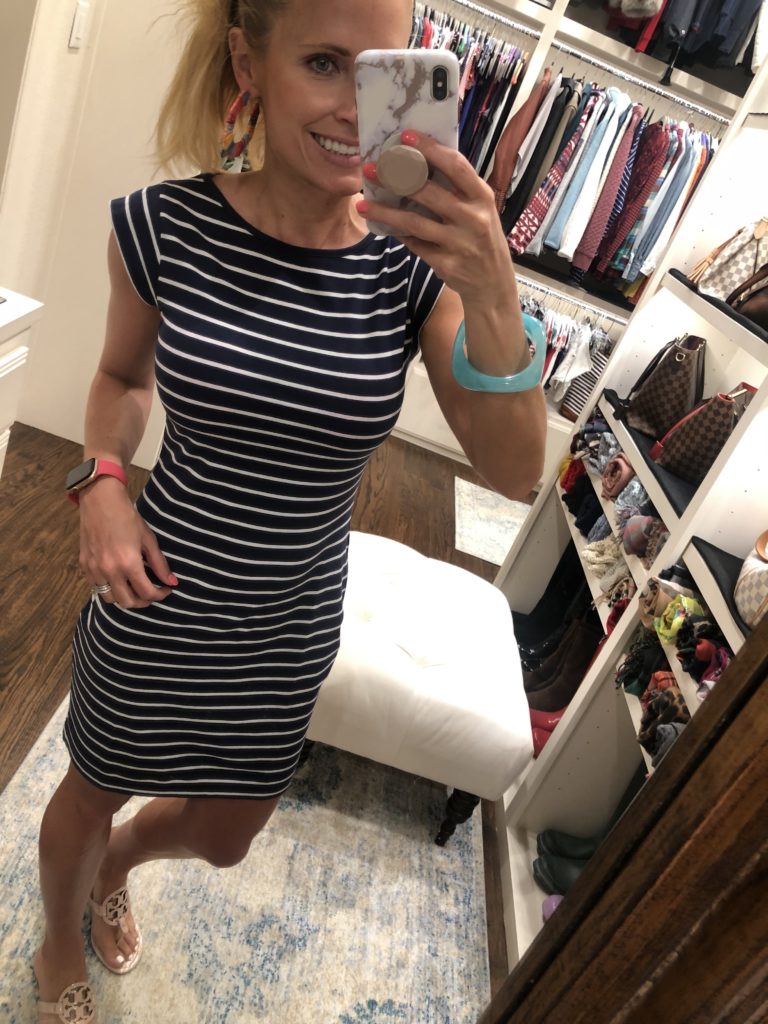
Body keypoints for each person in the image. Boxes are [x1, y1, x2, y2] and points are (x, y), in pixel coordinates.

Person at [33, 0, 546, 1019]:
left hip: (290, 620)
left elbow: (514, 469)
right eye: (322, 62)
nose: (355, 108)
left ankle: (118, 865)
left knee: (226, 835)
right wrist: (102, 482)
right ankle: (56, 944)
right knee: (92, 788)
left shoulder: (411, 271)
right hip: (157, 597)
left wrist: (492, 292)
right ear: (248, 62)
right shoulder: (161, 227)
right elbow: (120, 378)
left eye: (380, 72)